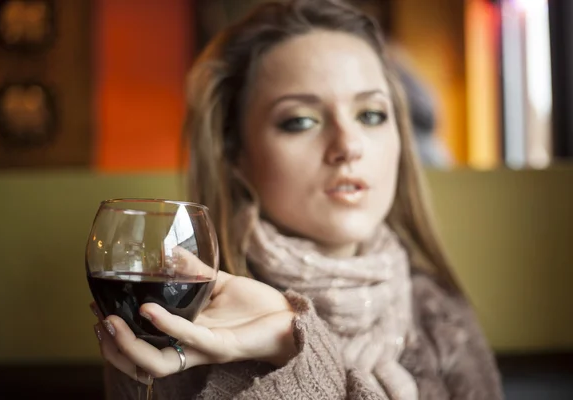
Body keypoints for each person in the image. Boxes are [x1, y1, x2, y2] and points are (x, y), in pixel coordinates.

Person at [90, 0, 503, 398]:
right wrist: (286, 344)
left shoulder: (441, 314)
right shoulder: (176, 321)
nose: (348, 146)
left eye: (371, 115)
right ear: (236, 156)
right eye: (300, 121)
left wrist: (292, 339)